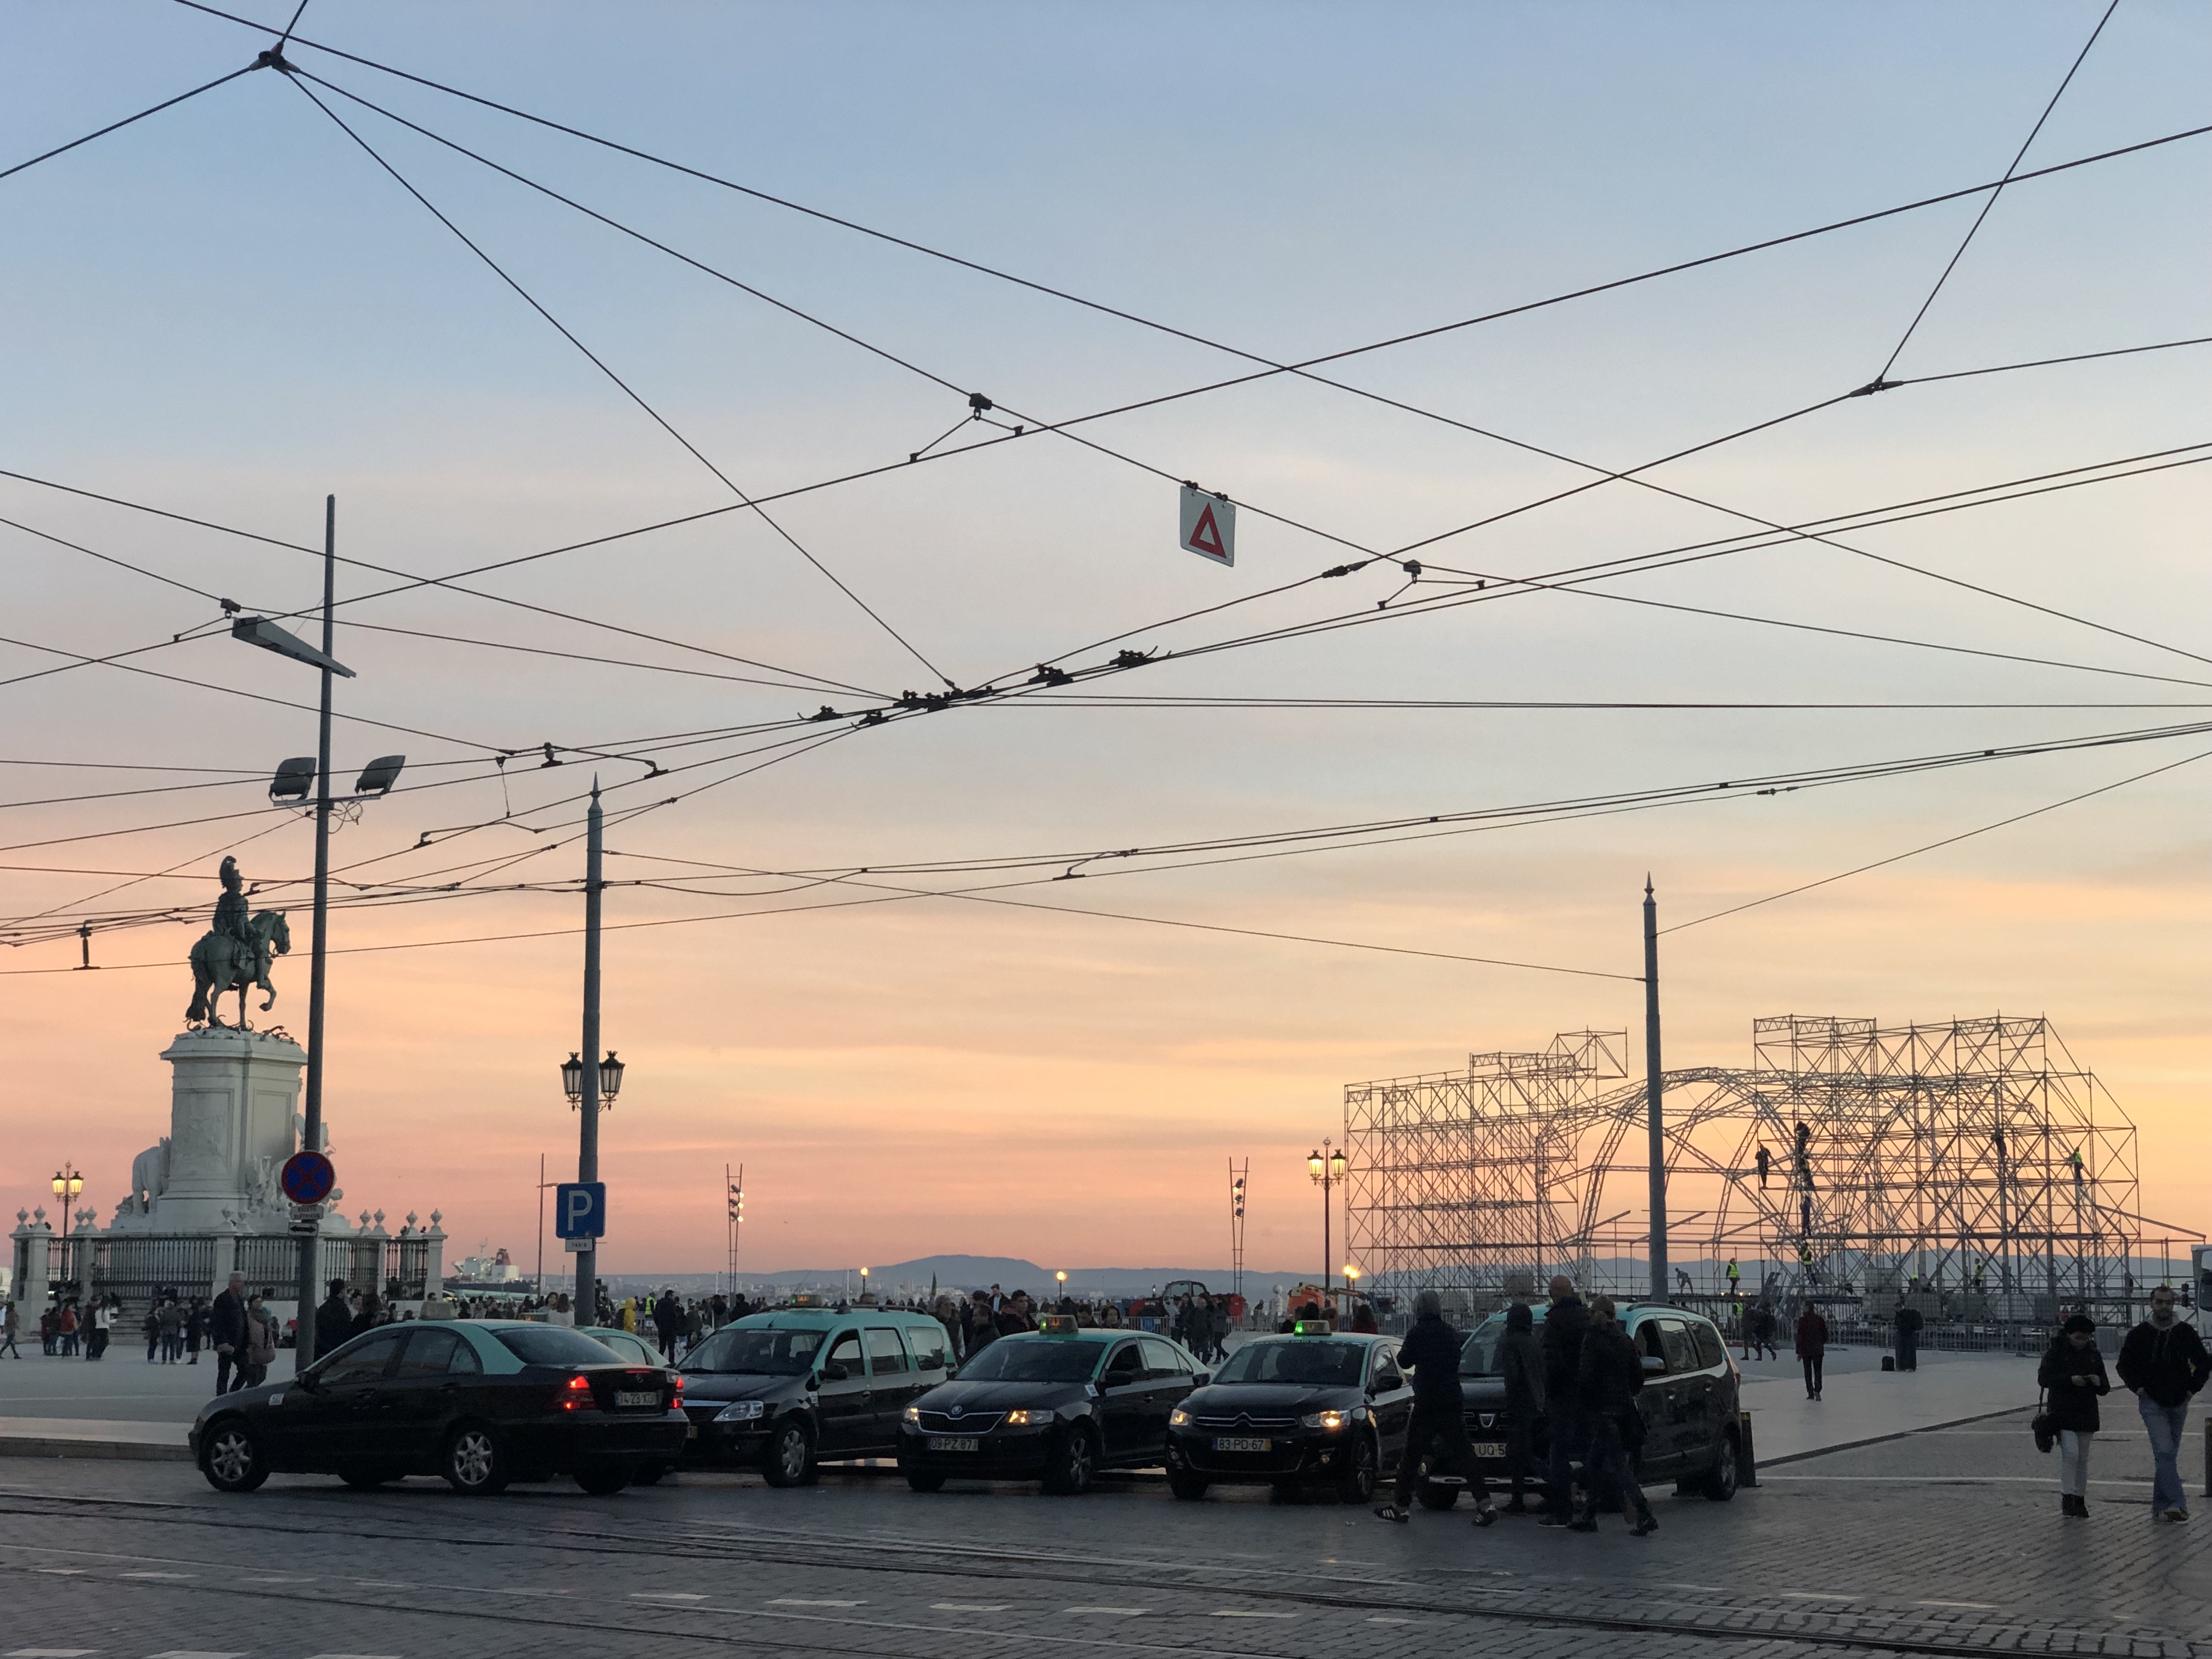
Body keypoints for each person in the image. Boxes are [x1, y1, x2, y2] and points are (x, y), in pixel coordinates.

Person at [1373, 1289, 1494, 1526]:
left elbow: (1404, 1361)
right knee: (1464, 1453)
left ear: (1418, 1310)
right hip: (1451, 1398)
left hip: (1427, 1401)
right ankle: (1485, 1503)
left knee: (1412, 1455)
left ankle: (1401, 1506)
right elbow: (1457, 1358)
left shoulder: (1417, 1333)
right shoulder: (1450, 1333)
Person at [2115, 1284, 2210, 1523]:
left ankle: (2160, 1507)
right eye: (2159, 1302)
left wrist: (2191, 1389)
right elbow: (2124, 1365)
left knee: (2166, 1456)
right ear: (2151, 1303)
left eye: (2168, 1302)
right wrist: (2138, 1388)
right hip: (2152, 1403)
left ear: (2174, 1304)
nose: (2164, 1307)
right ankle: (2178, 1504)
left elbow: (2203, 1362)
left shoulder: (2185, 1332)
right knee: (2165, 1451)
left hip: (2179, 1402)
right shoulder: (2140, 1334)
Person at [1569, 1296, 1656, 1536]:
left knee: (1617, 1465)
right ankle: (1589, 1515)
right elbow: (1638, 1376)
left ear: (1592, 1314)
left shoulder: (1592, 1339)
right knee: (1596, 1462)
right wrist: (1627, 1394)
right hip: (1623, 1410)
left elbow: (1586, 1377)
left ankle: (1644, 1513)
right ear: (1613, 1315)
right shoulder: (1624, 1339)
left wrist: (1587, 1404)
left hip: (1602, 1411)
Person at [2038, 1313, 2109, 1518]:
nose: (2082, 1342)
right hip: (2062, 1411)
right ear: (2068, 1335)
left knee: (2083, 1457)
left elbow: (2105, 1387)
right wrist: (2070, 1380)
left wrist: (2098, 1382)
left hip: (2087, 1412)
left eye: (2086, 1338)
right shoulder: (2056, 1352)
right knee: (2071, 1453)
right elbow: (2044, 1378)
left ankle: (2080, 1498)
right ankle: (2068, 1497)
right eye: (2078, 1337)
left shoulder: (2093, 1354)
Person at [1536, 1276, 1590, 1526]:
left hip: (1561, 1398)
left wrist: (1549, 1393)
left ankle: (1561, 1510)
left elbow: (1552, 1364)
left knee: (1558, 1454)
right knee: (1590, 1452)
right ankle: (1591, 1507)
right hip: (1586, 1397)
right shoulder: (1585, 1318)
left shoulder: (1555, 1321)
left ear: (1554, 1294)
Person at [1497, 1301, 1545, 1514]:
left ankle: (1557, 1486)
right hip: (1535, 1403)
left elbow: (1513, 1376)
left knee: (1519, 1454)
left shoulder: (1510, 1341)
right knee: (1525, 1452)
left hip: (1518, 1405)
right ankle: (1521, 1497)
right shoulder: (1533, 1340)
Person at [210, 1272, 249, 1393]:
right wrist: (222, 1342)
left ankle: (233, 1393)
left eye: (242, 1282)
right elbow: (217, 1322)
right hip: (227, 1343)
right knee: (224, 1374)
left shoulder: (239, 1299)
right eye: (239, 1282)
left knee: (246, 1370)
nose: (241, 1285)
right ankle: (221, 1398)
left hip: (240, 1344)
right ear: (232, 1283)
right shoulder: (222, 1299)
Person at [239, 1293, 277, 1389]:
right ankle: (245, 1395)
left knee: (262, 1376)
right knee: (253, 1377)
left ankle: (246, 1393)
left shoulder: (265, 1316)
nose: (259, 1304)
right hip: (251, 1351)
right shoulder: (247, 1316)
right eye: (256, 1302)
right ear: (251, 1304)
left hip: (263, 1350)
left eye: (260, 1302)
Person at [1795, 1302, 1827, 1400]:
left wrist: (1799, 1351)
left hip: (1806, 1350)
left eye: (1803, 1307)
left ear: (1807, 1308)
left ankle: (1810, 1392)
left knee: (1808, 1372)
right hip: (1818, 1349)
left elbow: (1800, 1336)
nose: (1802, 1308)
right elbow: (1825, 1334)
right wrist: (1821, 1343)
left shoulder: (1803, 1321)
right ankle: (1817, 1390)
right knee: (1818, 1371)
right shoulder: (1819, 1319)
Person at [313, 1279, 353, 1356]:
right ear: (342, 1291)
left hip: (323, 1348)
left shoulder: (323, 1308)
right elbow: (346, 1328)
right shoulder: (343, 1309)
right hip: (338, 1348)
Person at [1893, 1297, 1922, 1372]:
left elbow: (1903, 1324)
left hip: (1907, 1334)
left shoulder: (1904, 1314)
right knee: (1905, 1351)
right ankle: (1905, 1366)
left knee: (1908, 1351)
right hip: (1906, 1334)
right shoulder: (1900, 1314)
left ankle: (1907, 1366)